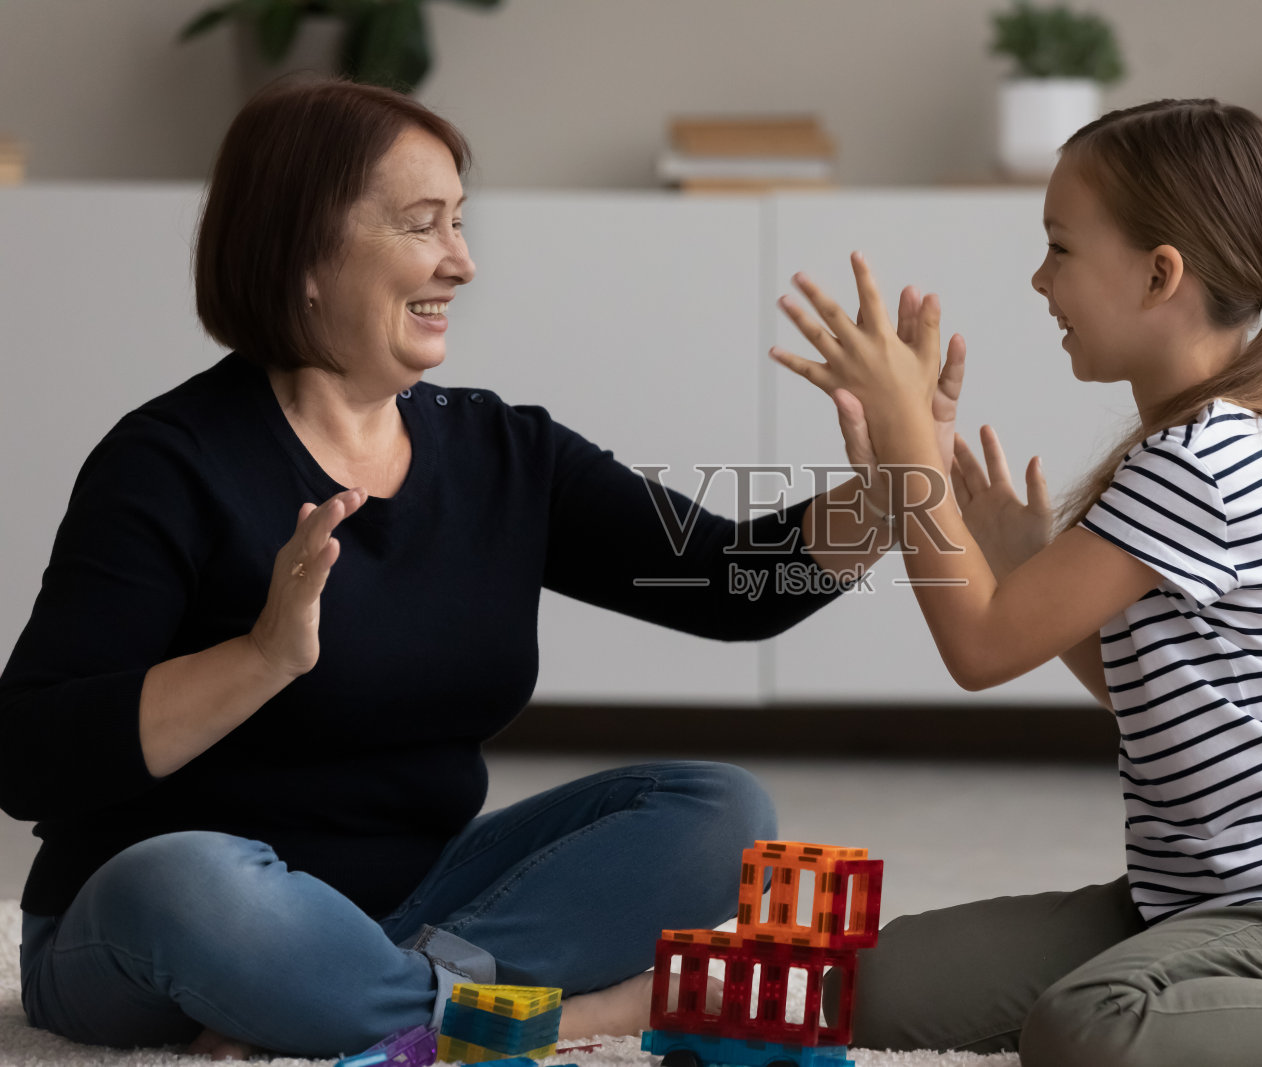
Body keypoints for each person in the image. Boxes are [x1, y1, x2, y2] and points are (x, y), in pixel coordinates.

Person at [0, 76, 966, 1060]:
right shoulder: (168, 462)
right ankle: (573, 1012)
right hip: (154, 926)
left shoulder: (502, 452)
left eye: (459, 223)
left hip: (423, 901)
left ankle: (365, 994)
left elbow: (732, 584)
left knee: (717, 808)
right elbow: (29, 756)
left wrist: (895, 481)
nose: (460, 262)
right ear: (304, 253)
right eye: (424, 225)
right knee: (189, 879)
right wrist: (261, 657)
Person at [773, 99, 1262, 1067]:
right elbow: (1145, 681)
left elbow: (978, 648)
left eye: (1058, 248)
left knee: (1084, 1026)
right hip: (1184, 902)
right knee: (870, 984)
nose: (1038, 278)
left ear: (1159, 272)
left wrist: (909, 452)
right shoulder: (1188, 448)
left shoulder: (1202, 459)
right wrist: (1014, 562)